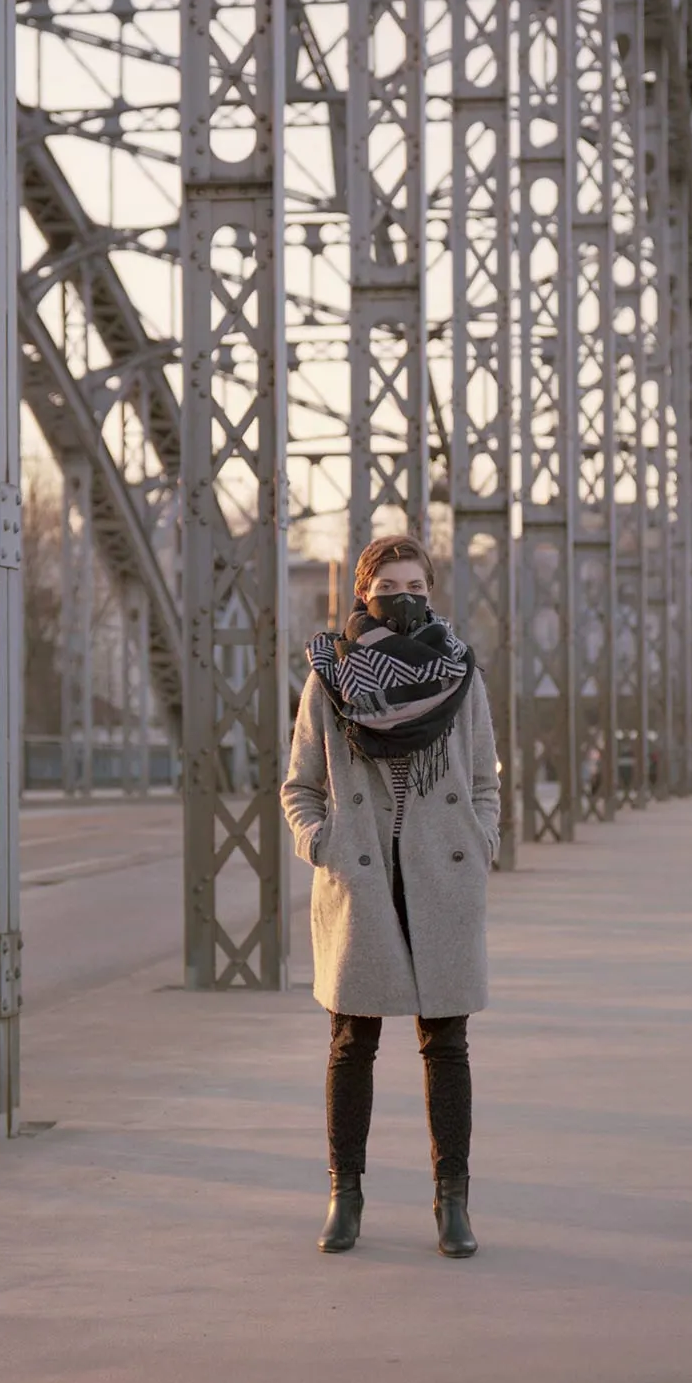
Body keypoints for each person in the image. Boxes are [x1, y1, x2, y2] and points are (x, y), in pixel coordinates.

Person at [282, 534, 501, 1258]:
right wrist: (322, 843)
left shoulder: (461, 676)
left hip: (441, 876)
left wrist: (483, 842)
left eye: (415, 587)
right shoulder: (329, 679)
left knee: (447, 1046)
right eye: (388, 588)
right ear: (363, 594)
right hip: (363, 880)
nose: (402, 599)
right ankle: (344, 1196)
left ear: (431, 595)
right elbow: (300, 785)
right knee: (352, 1044)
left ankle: (452, 1203)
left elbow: (485, 780)